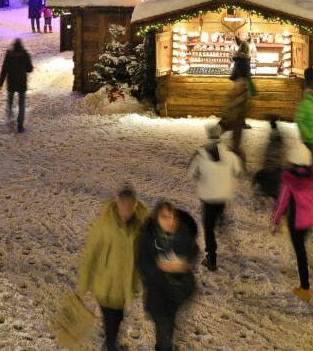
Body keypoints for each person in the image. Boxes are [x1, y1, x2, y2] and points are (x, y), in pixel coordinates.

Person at [78, 187, 148, 351]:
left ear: (135, 205)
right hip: (104, 285)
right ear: (117, 203)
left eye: (129, 207)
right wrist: (83, 282)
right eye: (123, 206)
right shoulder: (104, 225)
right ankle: (110, 346)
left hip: (124, 286)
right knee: (111, 321)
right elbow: (90, 254)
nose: (126, 211)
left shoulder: (139, 227)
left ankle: (110, 341)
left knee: (118, 317)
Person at [137, 201, 200, 351]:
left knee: (168, 323)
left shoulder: (181, 231)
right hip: (157, 291)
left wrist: (184, 263)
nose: (169, 221)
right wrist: (160, 267)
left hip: (177, 290)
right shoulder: (148, 236)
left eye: (171, 217)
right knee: (163, 326)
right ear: (157, 219)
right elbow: (142, 263)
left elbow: (193, 250)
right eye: (164, 217)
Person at [187, 121, 243, 272]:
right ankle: (222, 221)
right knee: (217, 215)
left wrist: (203, 177)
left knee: (209, 228)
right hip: (223, 196)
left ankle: (211, 258)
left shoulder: (200, 154)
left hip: (208, 197)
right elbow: (238, 170)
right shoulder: (229, 153)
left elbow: (191, 174)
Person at [270, 144, 313, 300]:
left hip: (296, 222)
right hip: (310, 220)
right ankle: (304, 283)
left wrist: (275, 220)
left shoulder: (289, 179)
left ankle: (305, 288)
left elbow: (282, 202)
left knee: (301, 254)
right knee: (302, 251)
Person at [0, 38, 34, 132]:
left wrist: (0, 82)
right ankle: (20, 125)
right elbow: (29, 69)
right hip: (21, 82)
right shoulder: (25, 54)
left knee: (10, 101)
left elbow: (4, 69)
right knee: (21, 104)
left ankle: (9, 118)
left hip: (11, 82)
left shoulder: (9, 55)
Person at [221, 77, 249, 162]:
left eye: (243, 87)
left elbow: (245, 109)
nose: (242, 88)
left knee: (236, 144)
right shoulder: (231, 94)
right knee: (214, 134)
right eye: (240, 87)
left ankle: (237, 160)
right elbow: (226, 107)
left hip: (237, 122)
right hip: (227, 119)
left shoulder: (244, 97)